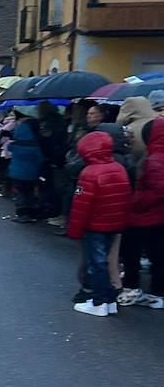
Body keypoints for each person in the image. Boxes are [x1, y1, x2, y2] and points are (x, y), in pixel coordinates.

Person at [66, 130, 132, 318]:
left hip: (94, 226)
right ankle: (110, 300)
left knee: (97, 264)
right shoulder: (119, 168)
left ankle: (99, 301)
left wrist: (74, 230)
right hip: (114, 224)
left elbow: (81, 206)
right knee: (106, 262)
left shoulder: (89, 173)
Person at [121, 116, 164, 309]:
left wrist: (135, 201)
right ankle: (157, 291)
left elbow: (158, 190)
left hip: (146, 215)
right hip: (155, 215)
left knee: (134, 251)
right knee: (157, 254)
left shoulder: (155, 159)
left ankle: (138, 289)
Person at [8, 110, 44, 223]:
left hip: (16, 172)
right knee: (29, 192)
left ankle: (21, 213)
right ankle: (31, 212)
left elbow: (9, 149)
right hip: (31, 173)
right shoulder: (35, 146)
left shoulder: (15, 145)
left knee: (20, 193)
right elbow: (40, 159)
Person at [37, 102, 69, 226]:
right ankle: (53, 211)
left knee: (55, 187)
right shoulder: (61, 121)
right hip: (55, 158)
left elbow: (48, 139)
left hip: (52, 158)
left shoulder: (48, 122)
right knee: (54, 186)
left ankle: (53, 211)